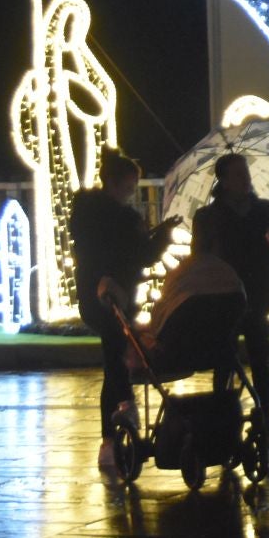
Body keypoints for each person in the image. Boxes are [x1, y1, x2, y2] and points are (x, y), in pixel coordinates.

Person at [68, 150, 181, 472]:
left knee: (114, 356)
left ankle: (115, 425)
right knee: (116, 359)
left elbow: (115, 251)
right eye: (132, 183)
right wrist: (163, 236)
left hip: (94, 294)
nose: (134, 189)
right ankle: (120, 416)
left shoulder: (87, 213)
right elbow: (141, 255)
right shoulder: (122, 218)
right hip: (116, 295)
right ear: (120, 182)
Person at [193, 153, 269, 447]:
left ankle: (266, 420)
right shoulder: (209, 217)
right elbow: (199, 258)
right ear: (223, 181)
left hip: (257, 294)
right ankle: (222, 424)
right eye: (238, 175)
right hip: (223, 297)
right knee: (224, 361)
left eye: (246, 173)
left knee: (260, 361)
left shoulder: (265, 210)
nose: (246, 180)